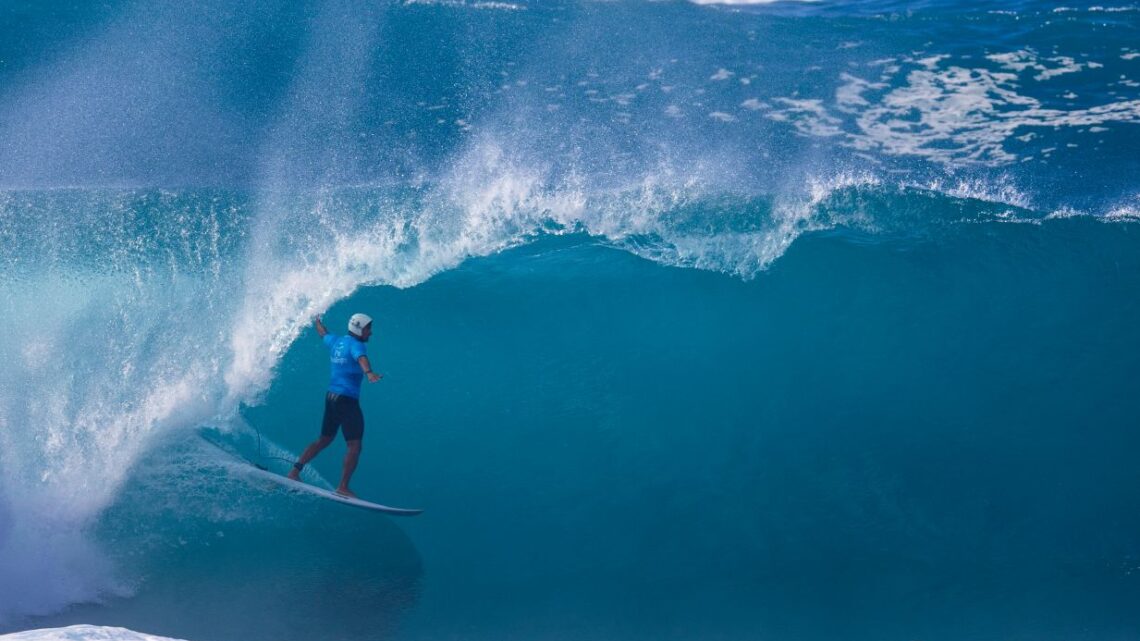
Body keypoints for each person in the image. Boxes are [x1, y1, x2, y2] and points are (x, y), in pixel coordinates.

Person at [287, 312, 382, 497]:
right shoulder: (357, 345)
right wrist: (369, 373)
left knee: (324, 439)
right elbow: (361, 358)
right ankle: (343, 486)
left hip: (331, 397)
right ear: (360, 329)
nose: (370, 333)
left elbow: (323, 333)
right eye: (368, 329)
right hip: (347, 400)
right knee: (354, 446)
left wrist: (317, 321)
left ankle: (294, 472)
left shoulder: (336, 342)